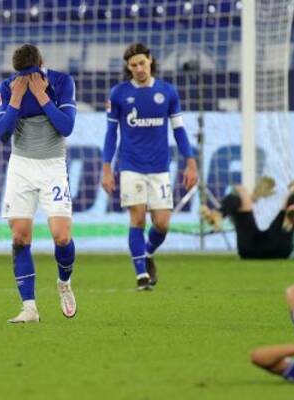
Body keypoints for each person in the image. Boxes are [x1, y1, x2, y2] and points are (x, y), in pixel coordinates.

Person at [102, 43, 198, 290]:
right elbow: (111, 133)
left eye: (142, 63)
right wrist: (106, 168)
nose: (139, 69)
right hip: (130, 164)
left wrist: (190, 162)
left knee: (162, 223)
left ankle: (147, 252)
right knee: (137, 218)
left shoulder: (167, 92)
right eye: (133, 65)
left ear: (150, 60)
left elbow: (179, 130)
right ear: (128, 67)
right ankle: (141, 275)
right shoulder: (118, 94)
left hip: (159, 167)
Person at [0, 44, 78, 323]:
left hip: (53, 166)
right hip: (21, 167)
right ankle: (29, 308)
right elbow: (2, 134)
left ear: (41, 64)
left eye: (31, 73)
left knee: (62, 237)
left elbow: (66, 127)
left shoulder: (62, 82)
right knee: (19, 237)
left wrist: (42, 97)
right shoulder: (8, 87)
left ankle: (64, 282)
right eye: (22, 75)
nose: (27, 79)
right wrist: (16, 99)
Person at [201, 178, 294, 259]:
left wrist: (252, 198)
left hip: (248, 250)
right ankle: (293, 207)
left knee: (240, 191)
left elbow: (239, 218)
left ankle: (219, 213)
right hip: (280, 249)